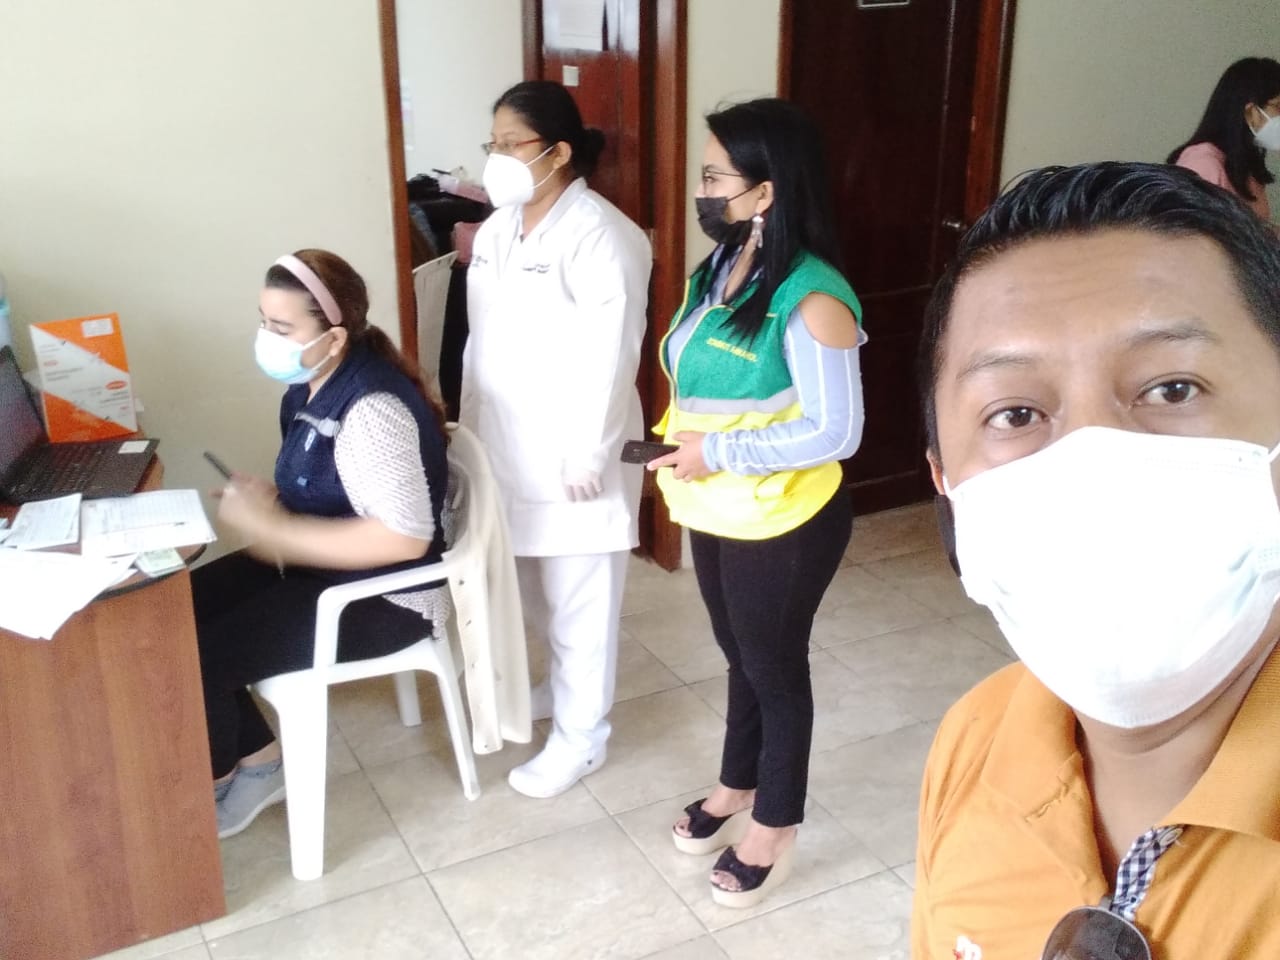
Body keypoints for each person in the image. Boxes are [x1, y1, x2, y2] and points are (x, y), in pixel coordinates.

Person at [912, 162, 1280, 959]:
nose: (1093, 464)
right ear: (946, 483)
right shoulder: (975, 738)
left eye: (1172, 388)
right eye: (1015, 412)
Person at [647, 98, 865, 908]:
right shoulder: (722, 267)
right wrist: (690, 449)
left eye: (715, 177)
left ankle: (775, 822)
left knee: (773, 667)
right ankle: (737, 782)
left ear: (766, 191)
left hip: (786, 517)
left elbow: (836, 431)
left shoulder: (815, 298)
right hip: (719, 506)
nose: (702, 191)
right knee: (740, 653)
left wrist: (717, 453)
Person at [197, 249, 451, 838]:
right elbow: (336, 490)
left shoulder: (372, 409)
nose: (267, 339)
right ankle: (255, 759)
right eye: (264, 322)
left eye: (282, 328)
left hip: (387, 599)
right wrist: (271, 503)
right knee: (169, 615)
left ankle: (239, 772)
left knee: (199, 654)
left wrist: (273, 530)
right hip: (321, 569)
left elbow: (404, 537)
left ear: (334, 337)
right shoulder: (308, 387)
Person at [461, 81, 652, 798]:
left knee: (580, 605)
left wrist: (588, 453)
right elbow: (481, 345)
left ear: (559, 151)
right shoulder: (498, 230)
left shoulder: (603, 235)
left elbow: (612, 357)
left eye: (512, 144)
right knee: (536, 594)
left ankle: (581, 739)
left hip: (576, 455)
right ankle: (556, 692)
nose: (499, 158)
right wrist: (468, 436)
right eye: (493, 144)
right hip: (505, 446)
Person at [1168, 56, 1280, 221]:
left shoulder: (1246, 165)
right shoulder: (1202, 164)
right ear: (1250, 112)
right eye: (1279, 106)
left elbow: (1258, 230)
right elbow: (1189, 232)